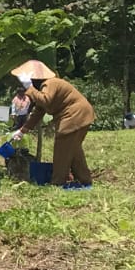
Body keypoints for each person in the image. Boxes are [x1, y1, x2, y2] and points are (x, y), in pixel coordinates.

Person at [9, 60, 94, 188]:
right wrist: (22, 131)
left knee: (62, 150)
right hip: (80, 115)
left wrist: (29, 88)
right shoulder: (44, 88)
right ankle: (84, 179)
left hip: (74, 115)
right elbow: (39, 111)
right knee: (73, 150)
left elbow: (46, 100)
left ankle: (58, 182)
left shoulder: (50, 83)